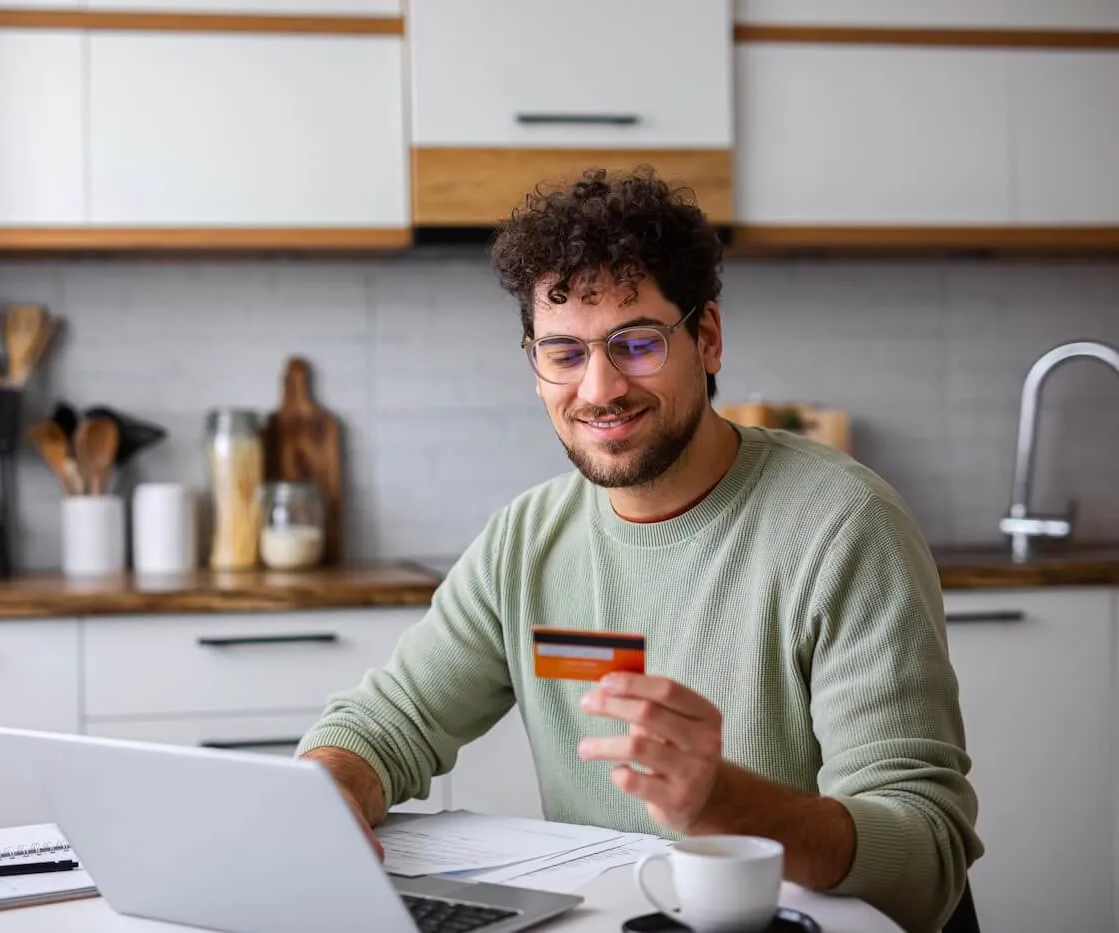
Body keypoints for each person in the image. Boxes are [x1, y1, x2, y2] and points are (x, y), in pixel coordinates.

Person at [296, 166, 982, 933]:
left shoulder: (843, 524)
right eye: (563, 352)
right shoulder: (527, 540)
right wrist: (331, 783)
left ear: (708, 338)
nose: (598, 388)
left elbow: (924, 858)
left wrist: (722, 802)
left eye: (637, 342)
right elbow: (389, 722)